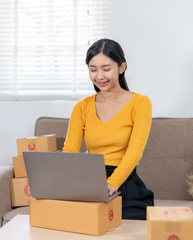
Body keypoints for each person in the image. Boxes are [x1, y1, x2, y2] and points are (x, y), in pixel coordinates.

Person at [62, 38, 154, 220]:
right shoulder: (81, 107)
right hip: (89, 180)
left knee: (126, 220)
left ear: (121, 67)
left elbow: (135, 151)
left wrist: (111, 184)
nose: (99, 76)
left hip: (124, 181)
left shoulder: (140, 103)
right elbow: (70, 151)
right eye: (93, 69)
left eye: (106, 69)